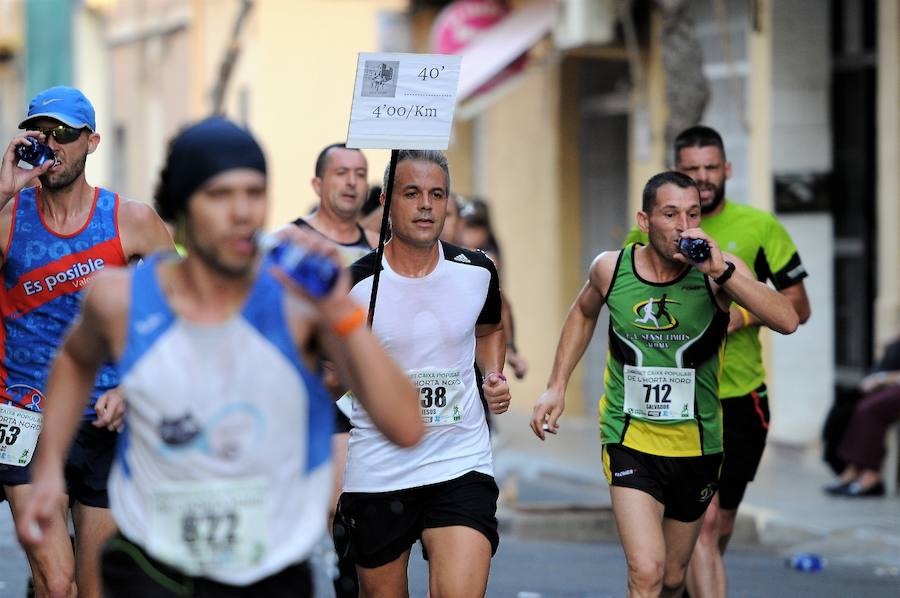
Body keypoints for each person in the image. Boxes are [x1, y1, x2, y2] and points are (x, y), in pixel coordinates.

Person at [16, 117, 423, 598]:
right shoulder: (120, 300)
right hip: (156, 564)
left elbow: (406, 426)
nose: (241, 213)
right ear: (183, 206)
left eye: (254, 193)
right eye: (219, 195)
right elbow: (75, 362)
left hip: (270, 569)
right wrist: (46, 473)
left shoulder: (296, 304)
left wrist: (340, 311)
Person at [532, 171, 799, 597]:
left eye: (692, 214)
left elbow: (787, 319)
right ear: (645, 220)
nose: (683, 226)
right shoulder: (611, 268)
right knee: (647, 571)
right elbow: (583, 313)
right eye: (670, 214)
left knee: (674, 578)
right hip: (629, 438)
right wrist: (556, 385)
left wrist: (723, 270)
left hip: (698, 445)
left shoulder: (719, 272)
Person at [0, 86, 174, 598]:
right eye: (40, 132)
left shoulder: (131, 220)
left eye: (65, 134)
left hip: (105, 417)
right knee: (57, 583)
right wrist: (3, 190)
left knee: (96, 586)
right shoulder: (8, 217)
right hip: (26, 416)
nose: (51, 145)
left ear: (91, 143)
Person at [623, 126, 811, 597]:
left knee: (716, 530)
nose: (702, 179)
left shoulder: (759, 227)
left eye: (711, 168)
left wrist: (739, 314)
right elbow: (623, 296)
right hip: (676, 401)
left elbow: (797, 308)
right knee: (702, 530)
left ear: (727, 170)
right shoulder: (649, 231)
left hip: (740, 397)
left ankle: (683, 582)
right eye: (691, 170)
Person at [337, 150, 512, 597]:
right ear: (387, 202)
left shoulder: (476, 272)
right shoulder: (355, 285)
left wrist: (493, 375)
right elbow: (327, 376)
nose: (426, 205)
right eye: (412, 193)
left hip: (460, 461)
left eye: (437, 194)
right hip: (380, 468)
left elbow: (490, 328)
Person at [288, 142, 377, 597]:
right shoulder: (290, 243)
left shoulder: (382, 252)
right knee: (326, 509)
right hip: (310, 398)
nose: (351, 181)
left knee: (349, 514)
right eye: (341, 172)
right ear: (318, 184)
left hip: (363, 400)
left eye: (360, 173)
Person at [459, 197, 528, 380]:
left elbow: (502, 306)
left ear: (483, 231)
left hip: (476, 346)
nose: (466, 234)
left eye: (472, 227)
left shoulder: (486, 260)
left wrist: (511, 348)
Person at [824, 335, 900, 497]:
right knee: (849, 406)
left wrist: (882, 379)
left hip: (893, 385)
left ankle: (872, 474)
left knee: (870, 409)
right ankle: (853, 469)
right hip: (891, 386)